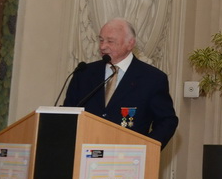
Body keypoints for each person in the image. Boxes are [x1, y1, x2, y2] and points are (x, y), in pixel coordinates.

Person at [64, 18, 178, 148]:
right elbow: (68, 114)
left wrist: (147, 149)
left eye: (110, 41)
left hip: (128, 155)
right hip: (84, 151)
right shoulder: (84, 73)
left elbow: (166, 121)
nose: (102, 46)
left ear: (130, 44)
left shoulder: (152, 78)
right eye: (101, 40)